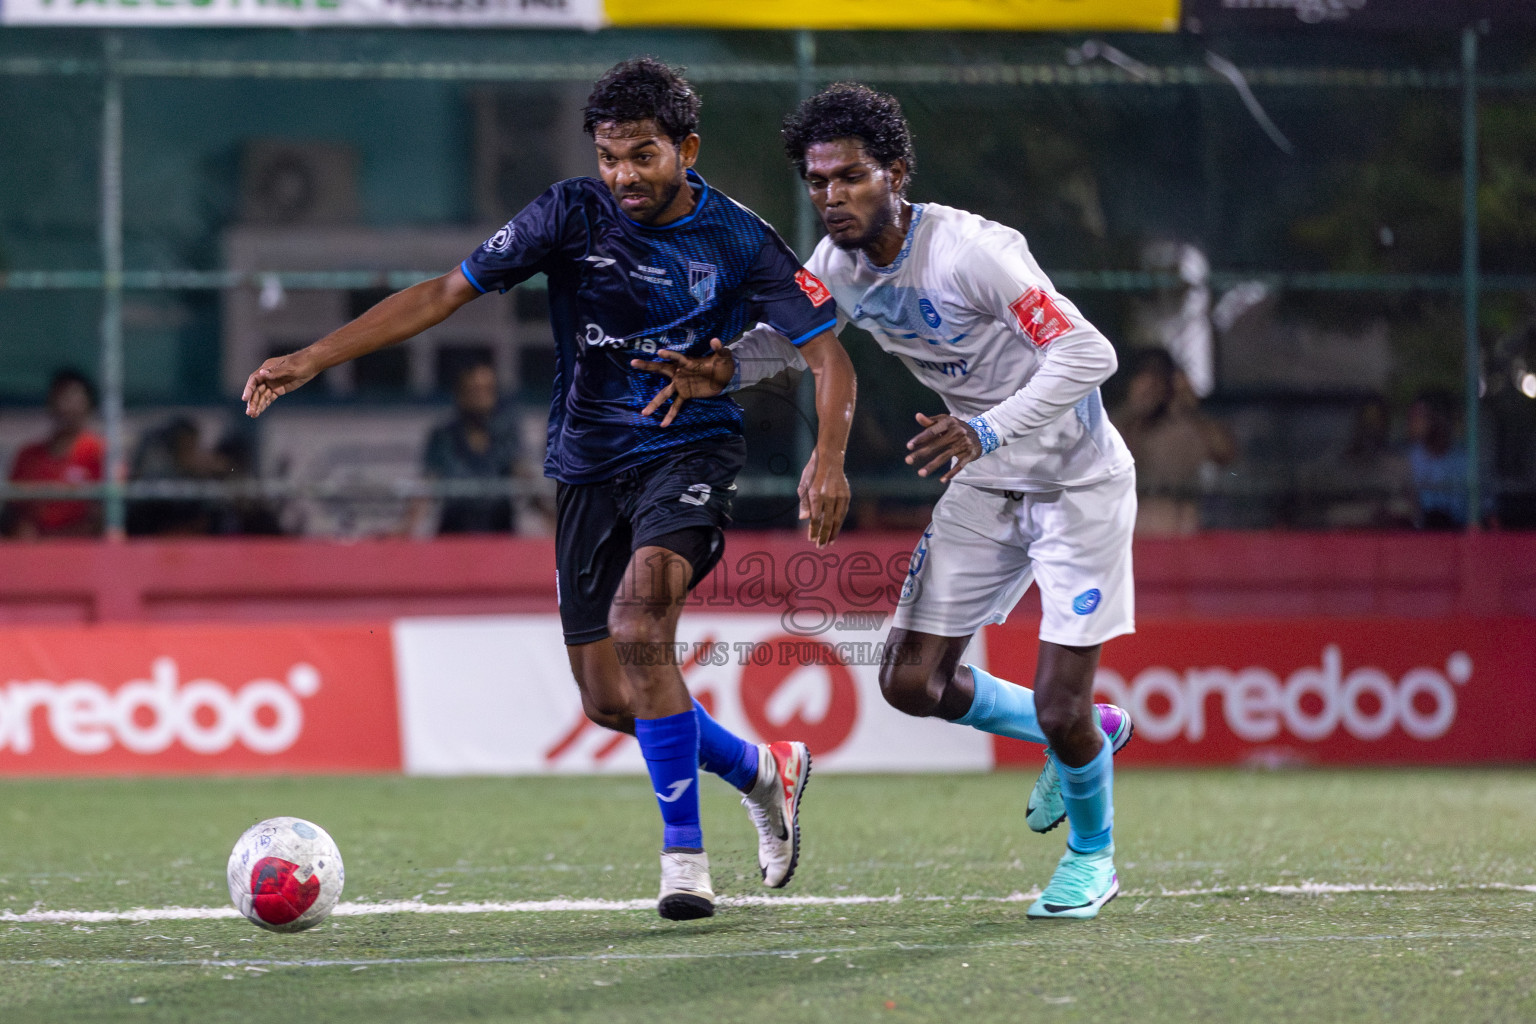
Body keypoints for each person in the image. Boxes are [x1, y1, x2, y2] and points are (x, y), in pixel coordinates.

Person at [242, 58, 857, 921]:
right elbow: (443, 294)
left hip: (690, 453)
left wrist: (827, 458)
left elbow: (827, 352)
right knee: (611, 698)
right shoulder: (570, 212)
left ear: (687, 148)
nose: (623, 176)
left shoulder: (740, 239)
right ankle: (762, 770)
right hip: (585, 467)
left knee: (642, 626)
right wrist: (312, 356)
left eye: (642, 155)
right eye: (610, 156)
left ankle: (684, 860)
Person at [641, 84, 1136, 920]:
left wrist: (984, 430)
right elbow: (797, 344)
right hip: (984, 480)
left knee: (1061, 704)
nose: (832, 197)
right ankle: (1093, 729)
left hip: (1075, 485)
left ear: (896, 174)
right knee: (910, 681)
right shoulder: (836, 266)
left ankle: (1093, 855)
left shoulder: (973, 253)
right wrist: (727, 369)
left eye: (851, 177)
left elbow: (1090, 353)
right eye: (817, 181)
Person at [1110, 347, 1235, 536]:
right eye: (1143, 377)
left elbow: (1225, 453)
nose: (1151, 386)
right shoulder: (1119, 425)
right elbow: (1102, 457)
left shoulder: (1186, 425)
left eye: (1158, 378)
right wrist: (1134, 410)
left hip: (1183, 531)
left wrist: (1191, 408)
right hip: (1136, 532)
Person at [409, 362, 521, 535]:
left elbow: (522, 475)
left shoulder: (507, 434)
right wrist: (408, 525)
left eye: (488, 390)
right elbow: (428, 482)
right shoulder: (443, 435)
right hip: (455, 530)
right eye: (475, 390)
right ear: (460, 394)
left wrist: (555, 524)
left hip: (499, 528)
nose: (482, 397)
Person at [2, 369, 104, 540]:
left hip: (82, 549)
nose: (65, 406)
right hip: (30, 550)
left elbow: (104, 517)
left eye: (74, 398)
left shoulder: (99, 453)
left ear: (88, 404)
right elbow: (13, 510)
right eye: (61, 397)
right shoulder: (27, 455)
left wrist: (55, 539)